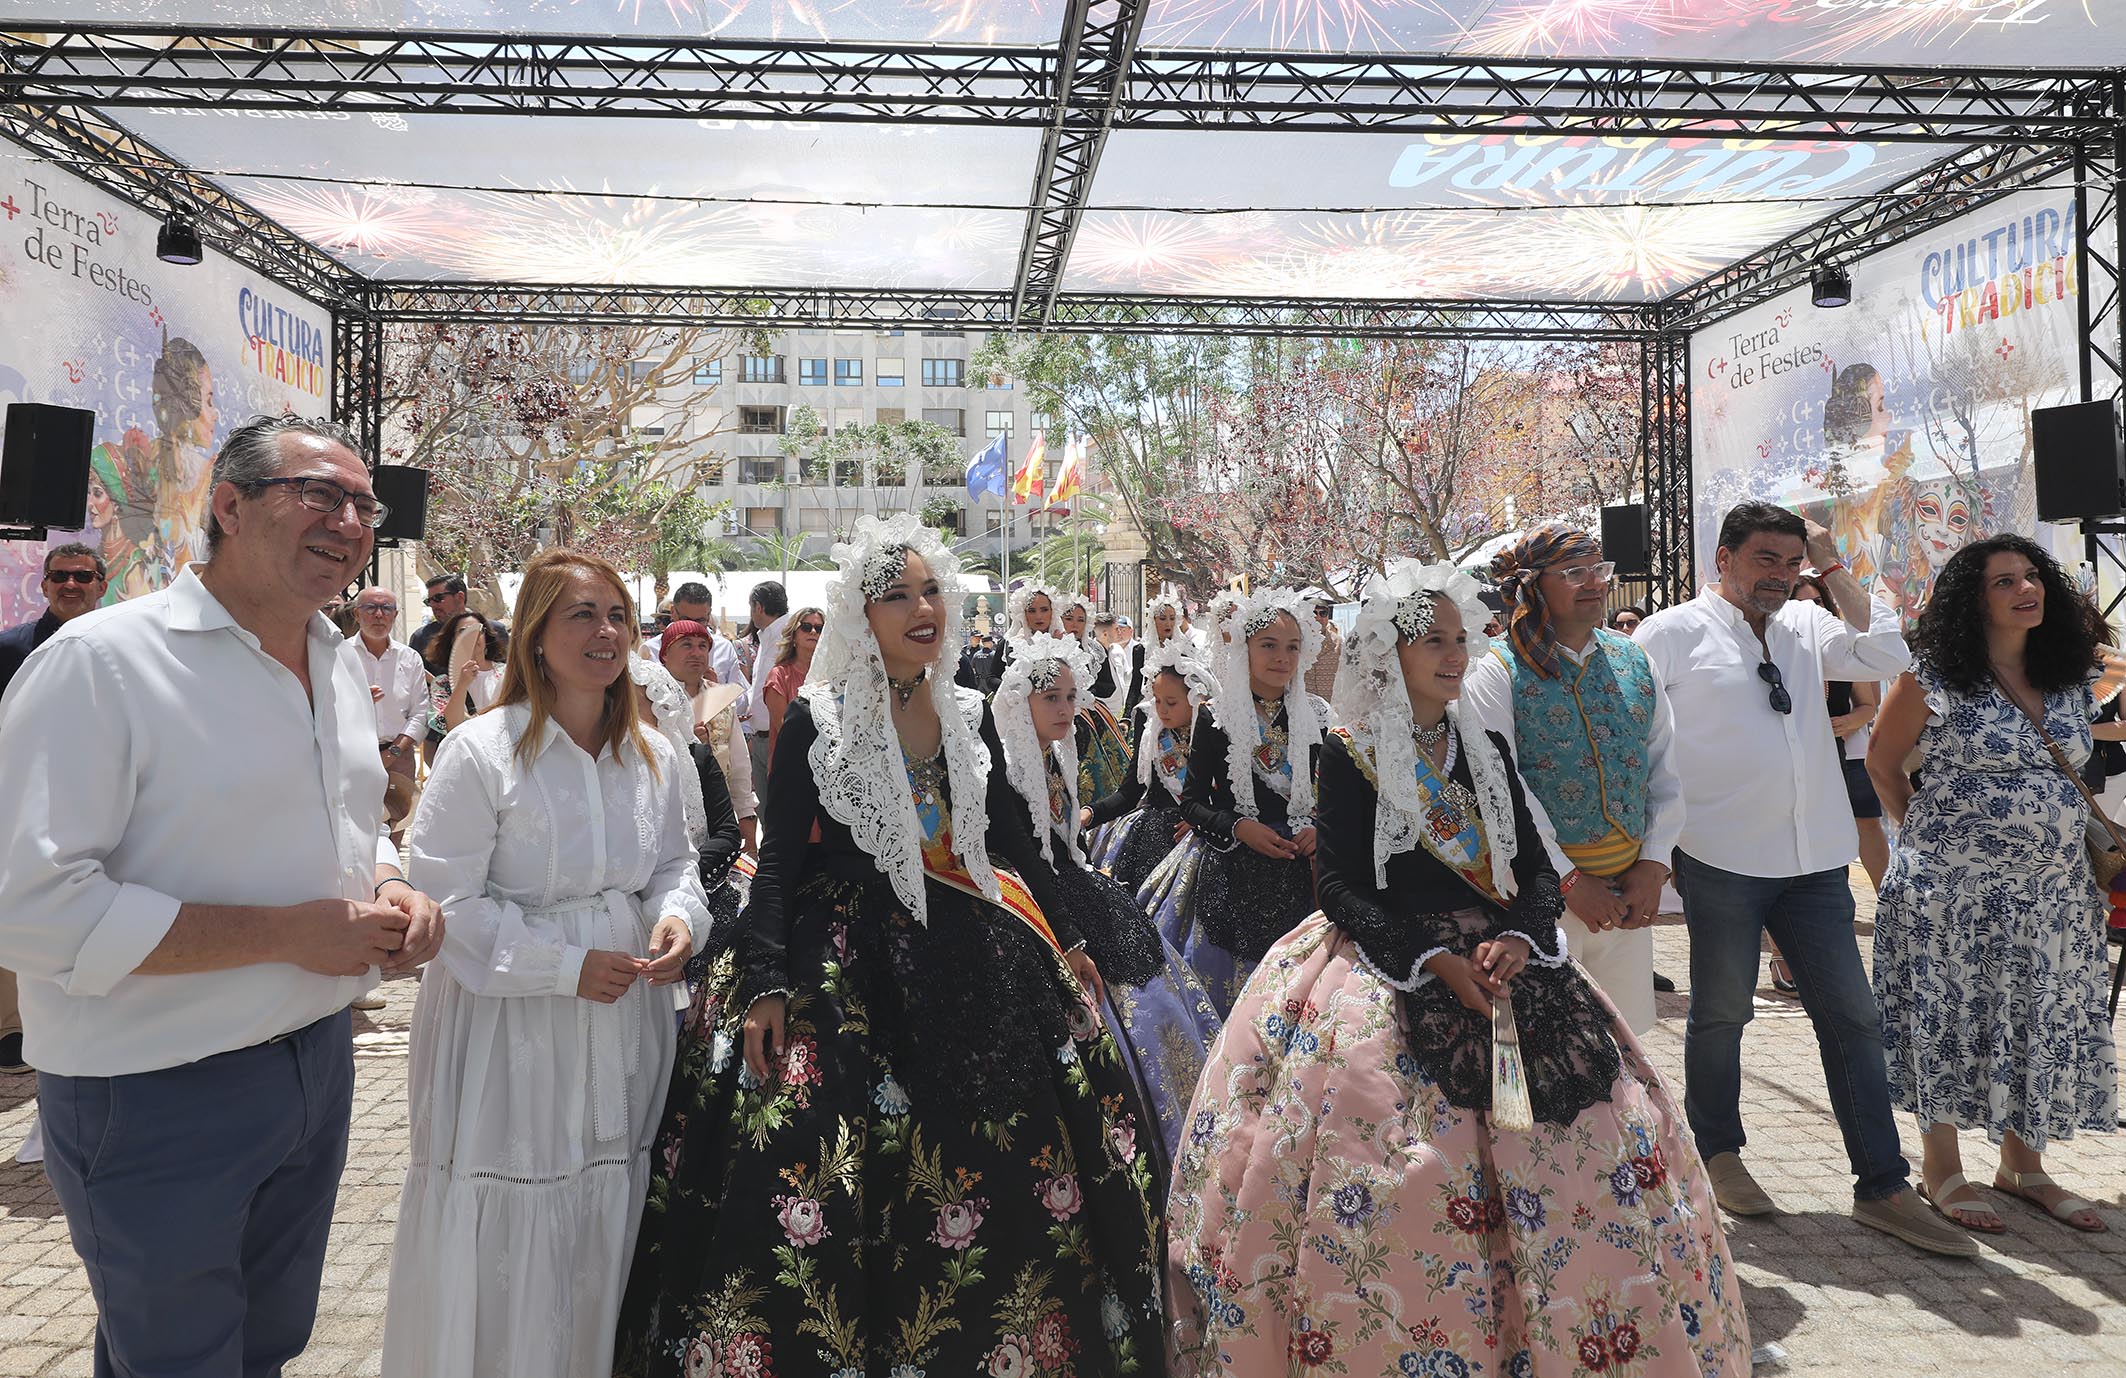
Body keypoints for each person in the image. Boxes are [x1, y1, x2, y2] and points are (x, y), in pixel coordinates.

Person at [1168, 560, 1749, 1378]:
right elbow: (1339, 886)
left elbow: (1536, 872)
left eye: (1458, 638)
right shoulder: (1351, 752)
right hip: (1392, 964)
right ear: (1391, 654)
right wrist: (1433, 959)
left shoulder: (1486, 747)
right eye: (1431, 641)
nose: (1452, 655)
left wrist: (1523, 937)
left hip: (1505, 959)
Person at [613, 514, 1162, 1376]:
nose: (922, 609)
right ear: (860, 616)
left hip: (972, 946)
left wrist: (1070, 935)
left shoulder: (969, 713)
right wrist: (766, 982)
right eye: (898, 596)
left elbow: (1013, 840)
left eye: (932, 591)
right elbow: (779, 862)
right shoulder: (817, 719)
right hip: (844, 960)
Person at [0, 413, 444, 1375]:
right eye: (319, 494)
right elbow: (28, 907)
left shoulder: (332, 658)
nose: (349, 521)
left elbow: (351, 822)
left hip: (314, 1064)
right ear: (231, 507)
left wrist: (390, 881)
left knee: (264, 1347)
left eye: (363, 505)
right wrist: (289, 936)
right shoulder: (101, 662)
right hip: (154, 1087)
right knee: (179, 1360)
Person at [384, 548, 706, 1377]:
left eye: (618, 616)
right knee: (513, 1208)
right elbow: (447, 902)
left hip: (624, 1021)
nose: (606, 633)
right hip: (512, 1024)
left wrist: (678, 919)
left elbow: (676, 863)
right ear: (533, 633)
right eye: (582, 615)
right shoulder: (480, 751)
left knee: (611, 1200)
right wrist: (564, 966)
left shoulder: (654, 752)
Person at [1637, 501, 1973, 1256]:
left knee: (1854, 1018)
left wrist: (1831, 563)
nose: (1781, 576)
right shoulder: (1669, 633)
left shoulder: (1807, 623)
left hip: (1816, 859)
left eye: (1792, 563)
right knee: (1723, 1013)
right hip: (1720, 855)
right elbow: (1641, 745)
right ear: (1723, 558)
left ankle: (1882, 1185)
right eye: (1766, 559)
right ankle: (1718, 1153)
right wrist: (1652, 852)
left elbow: (1886, 654)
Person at [1867, 535, 2118, 1236]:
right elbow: (1883, 764)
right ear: (1973, 601)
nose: (2025, 589)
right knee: (1948, 1018)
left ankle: (2023, 1167)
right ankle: (1941, 1167)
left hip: (2052, 894)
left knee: (2034, 1019)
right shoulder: (1935, 676)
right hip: (1952, 893)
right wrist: (1930, 844)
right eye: (2004, 581)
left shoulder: (2071, 675)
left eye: (2032, 576)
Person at [993, 631, 1220, 1185]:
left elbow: (1066, 842)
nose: (1065, 708)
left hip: (1073, 885)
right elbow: (1023, 853)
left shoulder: (1055, 755)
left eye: (1071, 697)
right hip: (1030, 900)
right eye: (1052, 698)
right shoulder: (1004, 768)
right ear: (1020, 702)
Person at [1461, 524, 1682, 1034]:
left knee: (1624, 1043)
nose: (1595, 583)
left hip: (1627, 896)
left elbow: (1663, 766)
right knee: (1550, 1043)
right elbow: (1498, 785)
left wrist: (1653, 863)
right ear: (1533, 585)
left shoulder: (1634, 659)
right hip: (1537, 901)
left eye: (1599, 569)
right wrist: (1567, 880)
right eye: (1573, 572)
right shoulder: (1496, 669)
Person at [1171, 587, 1328, 1013]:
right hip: (1236, 865)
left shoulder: (1318, 715)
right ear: (1244, 648)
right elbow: (1192, 803)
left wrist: (1320, 830)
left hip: (1308, 867)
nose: (1282, 658)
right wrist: (1240, 827)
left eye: (1292, 647)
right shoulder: (1215, 715)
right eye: (1269, 645)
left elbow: (1335, 798)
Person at [0, 543, 113, 1074]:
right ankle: (11, 1027)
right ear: (44, 585)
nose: (71, 584)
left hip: (103, 796)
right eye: (60, 576)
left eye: (82, 576)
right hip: (24, 798)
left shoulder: (125, 646)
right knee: (19, 901)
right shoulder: (10, 648)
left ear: (101, 585)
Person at [1085, 635, 1215, 894]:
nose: (1161, 710)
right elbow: (1128, 794)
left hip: (1205, 839)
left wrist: (1205, 819)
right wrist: (1090, 813)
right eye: (1157, 700)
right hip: (1152, 838)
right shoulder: (1153, 737)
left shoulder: (1215, 737)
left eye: (1171, 702)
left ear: (1196, 698)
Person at [1789, 572, 1889, 891]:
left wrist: (1847, 723)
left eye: (1817, 601)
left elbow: (1868, 705)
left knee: (1865, 824)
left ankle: (1887, 899)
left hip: (1850, 755)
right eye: (1801, 603)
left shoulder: (1843, 645)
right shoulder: (1778, 650)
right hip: (1798, 760)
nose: (1812, 609)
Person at [659, 619, 758, 856]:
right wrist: (687, 745)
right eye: (686, 644)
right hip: (668, 821)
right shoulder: (652, 699)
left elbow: (739, 766)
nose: (696, 653)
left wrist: (747, 826)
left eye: (703, 646)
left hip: (719, 818)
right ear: (665, 655)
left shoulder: (719, 697)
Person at [350, 585, 430, 802]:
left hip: (399, 758)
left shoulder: (410, 658)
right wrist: (356, 702)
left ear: (395, 615)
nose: (379, 614)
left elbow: (420, 713)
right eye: (370, 607)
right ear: (356, 614)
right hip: (352, 757)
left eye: (386, 608)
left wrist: (392, 753)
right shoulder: (340, 655)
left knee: (398, 817)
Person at [422, 608, 506, 762]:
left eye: (478, 630)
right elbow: (453, 726)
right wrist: (461, 684)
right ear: (453, 641)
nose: (473, 636)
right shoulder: (443, 684)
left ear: (486, 637)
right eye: (463, 631)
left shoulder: (508, 674)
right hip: (466, 759)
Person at [761, 605, 823, 776]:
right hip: (791, 766)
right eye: (806, 627)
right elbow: (785, 729)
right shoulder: (779, 676)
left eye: (819, 629)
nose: (813, 632)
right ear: (793, 635)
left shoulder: (831, 676)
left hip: (825, 769)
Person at [741, 579, 790, 785]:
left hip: (780, 739)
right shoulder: (767, 636)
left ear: (758, 607)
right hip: (760, 737)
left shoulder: (790, 636)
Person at [1123, 592, 1186, 717]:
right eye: (1162, 618)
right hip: (1150, 710)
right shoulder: (1141, 650)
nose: (1168, 623)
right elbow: (1136, 685)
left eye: (1172, 618)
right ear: (1154, 620)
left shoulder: (1184, 648)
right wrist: (1126, 717)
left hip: (1178, 711)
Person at [410, 572, 467, 660]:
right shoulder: (421, 638)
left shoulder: (487, 630)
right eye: (429, 601)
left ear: (460, 597)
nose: (432, 605)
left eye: (438, 598)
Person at [1303, 592, 1342, 702]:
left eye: (1323, 613)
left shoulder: (1339, 643)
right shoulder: (1295, 643)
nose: (1318, 617)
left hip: (1332, 705)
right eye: (1313, 613)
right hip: (1304, 705)